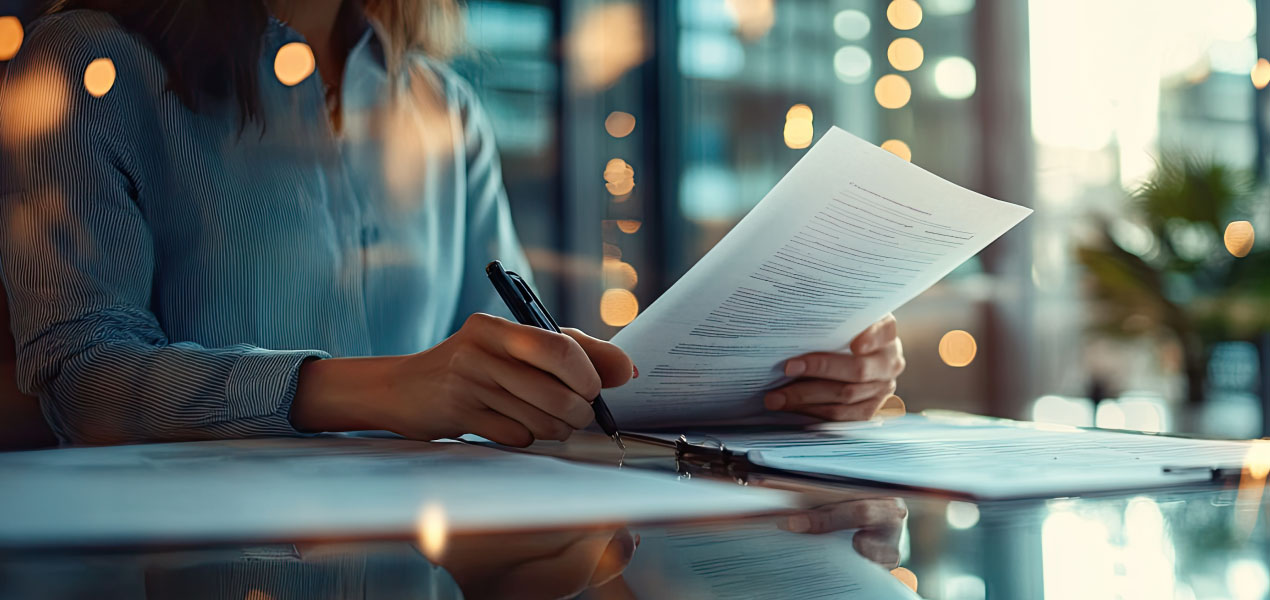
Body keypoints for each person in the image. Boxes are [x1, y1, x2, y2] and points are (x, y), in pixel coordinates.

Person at [0, 0, 905, 447]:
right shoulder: (85, 67)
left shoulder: (444, 108)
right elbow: (79, 379)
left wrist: (785, 386)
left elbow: (521, 365)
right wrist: (387, 389)